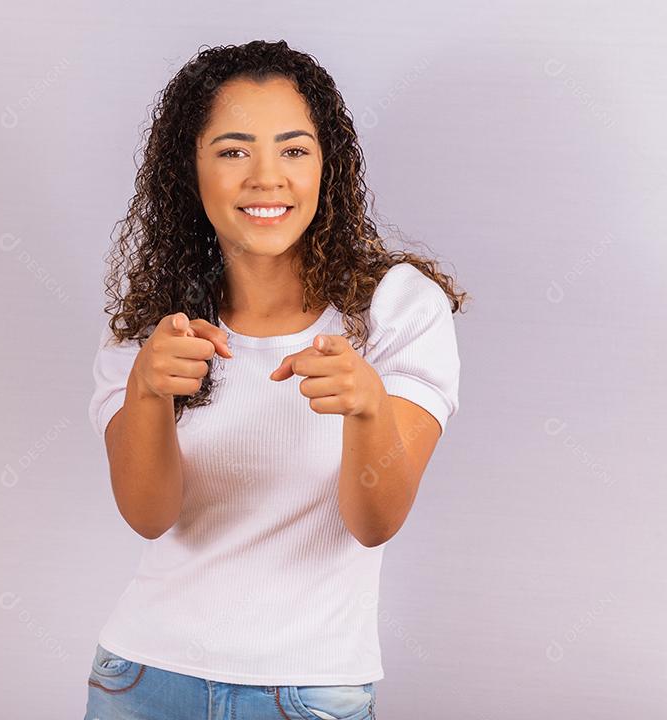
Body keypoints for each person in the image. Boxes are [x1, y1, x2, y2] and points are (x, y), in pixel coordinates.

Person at [85, 39, 466, 720]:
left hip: (312, 690)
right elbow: (149, 514)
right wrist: (146, 391)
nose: (267, 177)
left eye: (294, 150)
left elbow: (375, 523)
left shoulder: (394, 309)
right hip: (144, 681)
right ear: (189, 169)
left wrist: (369, 409)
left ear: (328, 166)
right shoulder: (153, 329)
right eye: (233, 151)